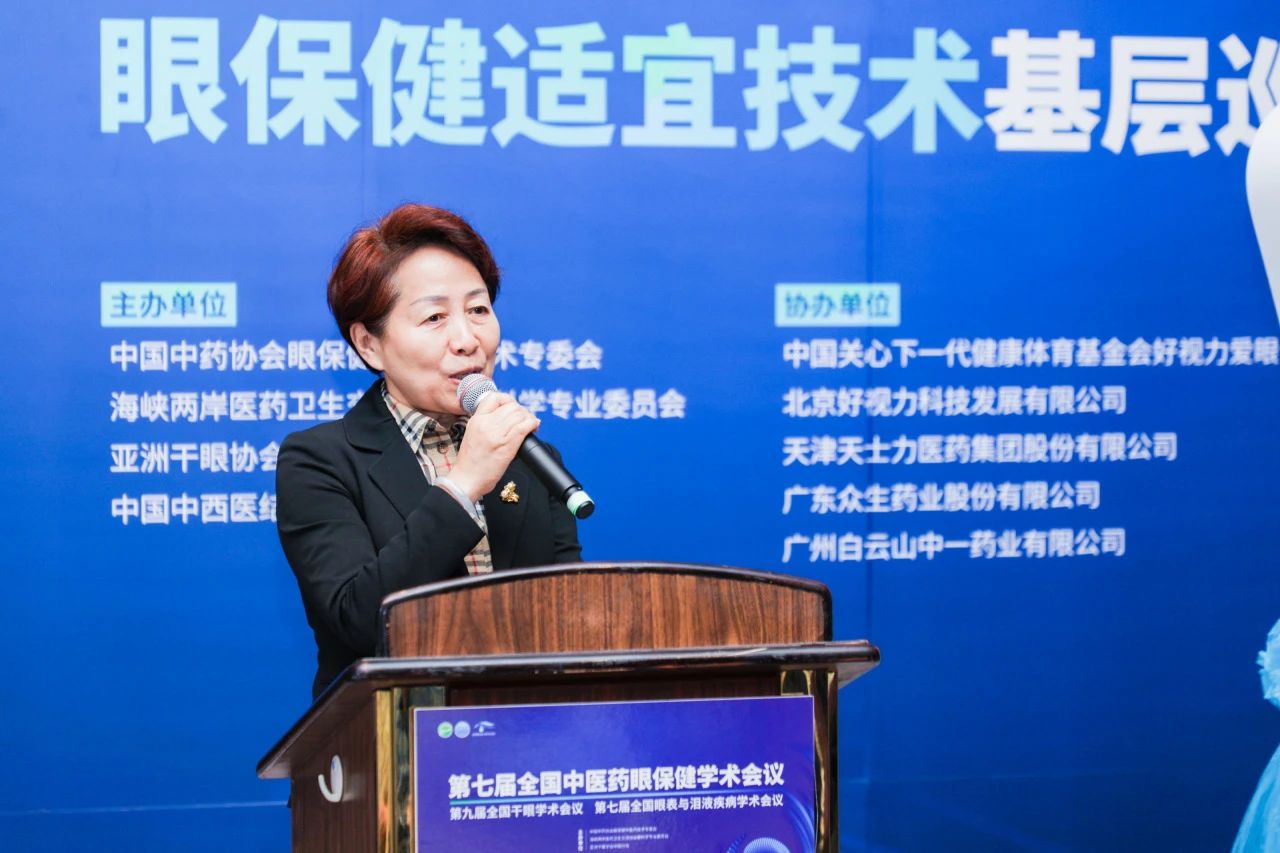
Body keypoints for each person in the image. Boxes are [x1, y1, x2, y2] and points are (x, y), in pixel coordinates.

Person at [276, 204, 582, 698]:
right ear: (369, 345)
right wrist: (463, 486)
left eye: (478, 310)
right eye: (435, 317)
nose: (467, 340)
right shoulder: (319, 460)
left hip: (525, 726)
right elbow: (360, 621)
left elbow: (570, 616)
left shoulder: (530, 458)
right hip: (390, 729)